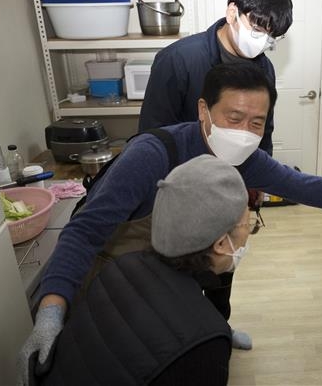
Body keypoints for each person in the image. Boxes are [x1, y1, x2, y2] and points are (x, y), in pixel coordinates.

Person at [17, 63, 322, 384]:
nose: (245, 132)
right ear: (204, 110)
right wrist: (52, 310)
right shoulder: (152, 154)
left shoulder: (245, 158)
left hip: (174, 275)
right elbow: (84, 232)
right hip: (118, 278)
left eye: (257, 123)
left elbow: (303, 186)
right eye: (234, 117)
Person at [32, 155, 251, 386]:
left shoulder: (123, 265)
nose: (248, 234)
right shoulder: (207, 342)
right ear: (221, 243)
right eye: (248, 225)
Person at [137, 0, 293, 156]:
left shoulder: (265, 70)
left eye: (271, 36)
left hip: (240, 168)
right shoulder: (178, 59)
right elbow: (153, 135)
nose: (262, 42)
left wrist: (262, 171)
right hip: (186, 167)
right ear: (232, 13)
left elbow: (264, 136)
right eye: (257, 29)